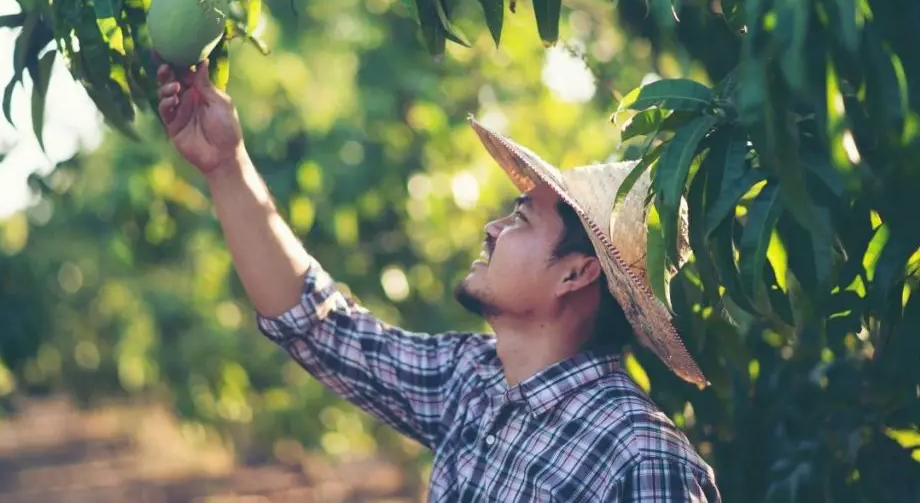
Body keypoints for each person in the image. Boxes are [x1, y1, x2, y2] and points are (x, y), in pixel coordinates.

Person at [156, 60, 722, 502]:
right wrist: (226, 166)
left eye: (520, 219)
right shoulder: (474, 381)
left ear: (576, 272)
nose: (493, 229)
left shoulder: (643, 460)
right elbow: (320, 327)